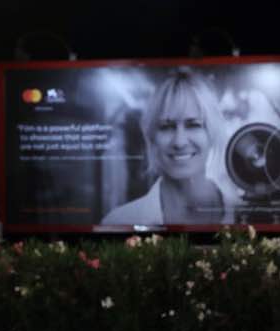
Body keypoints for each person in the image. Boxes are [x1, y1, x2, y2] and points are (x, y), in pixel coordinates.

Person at [102, 68, 240, 226]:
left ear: (211, 132)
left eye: (193, 125)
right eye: (166, 127)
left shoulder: (244, 215)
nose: (179, 142)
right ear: (152, 137)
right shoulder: (118, 222)